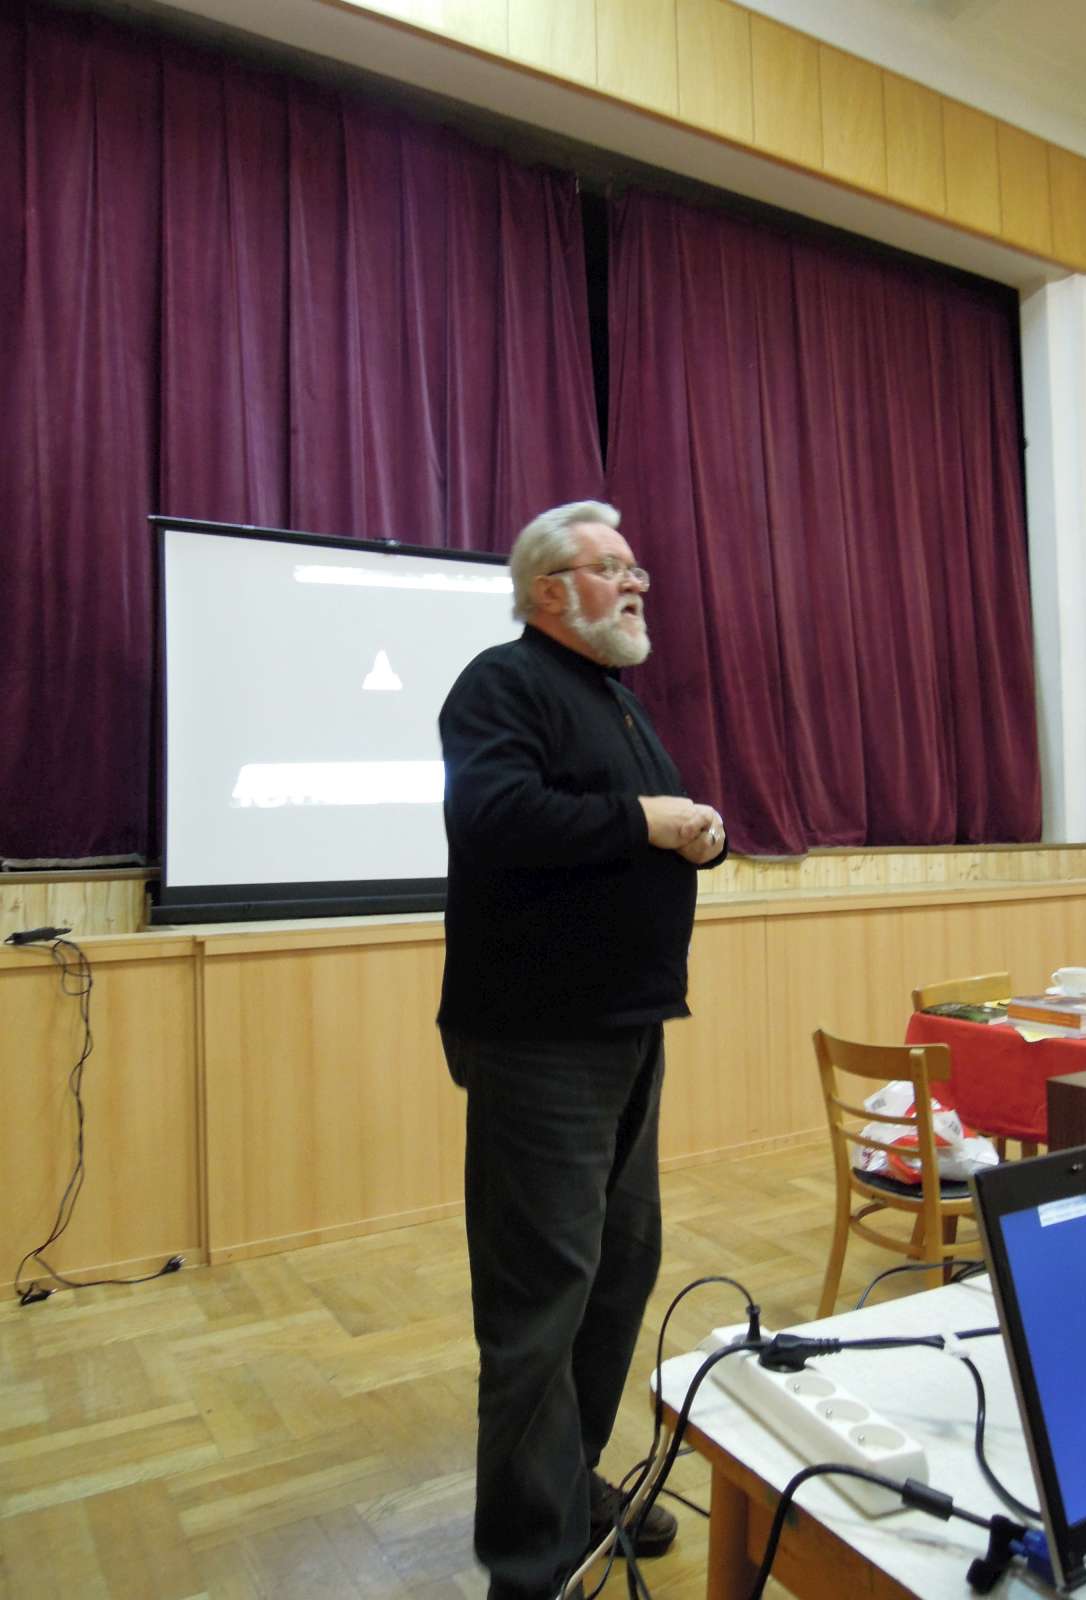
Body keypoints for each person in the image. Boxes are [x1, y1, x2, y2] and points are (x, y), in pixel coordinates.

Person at [437, 500, 726, 1600]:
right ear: (549, 590)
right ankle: (532, 1567)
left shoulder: (616, 696)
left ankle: (569, 1487)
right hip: (539, 1041)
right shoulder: (502, 683)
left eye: (637, 565)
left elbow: (646, 819)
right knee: (539, 1304)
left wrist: (702, 832)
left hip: (626, 1030)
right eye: (613, 567)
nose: (638, 581)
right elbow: (497, 817)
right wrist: (648, 821)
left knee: (617, 1274)